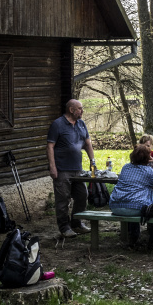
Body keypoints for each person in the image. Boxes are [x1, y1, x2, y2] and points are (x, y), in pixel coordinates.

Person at [47, 99, 96, 238]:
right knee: (63, 199)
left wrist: (93, 161)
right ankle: (64, 228)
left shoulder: (81, 124)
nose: (82, 111)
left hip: (77, 169)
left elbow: (87, 144)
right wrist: (52, 167)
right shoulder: (58, 124)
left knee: (82, 195)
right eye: (80, 108)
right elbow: (50, 146)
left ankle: (77, 223)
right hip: (62, 169)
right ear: (71, 110)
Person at [109, 145, 153, 250]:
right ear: (147, 158)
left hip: (115, 206)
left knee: (134, 201)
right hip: (134, 208)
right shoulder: (148, 171)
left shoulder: (126, 167)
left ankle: (134, 238)